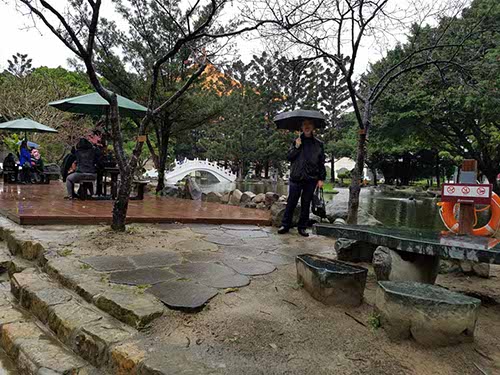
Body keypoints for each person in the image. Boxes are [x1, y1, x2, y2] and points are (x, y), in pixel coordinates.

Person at [278, 119, 326, 237]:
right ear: (301, 127)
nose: (307, 126)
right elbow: (289, 157)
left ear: (313, 127)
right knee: (291, 202)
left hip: (311, 178)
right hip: (296, 177)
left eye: (309, 124)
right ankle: (285, 224)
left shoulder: (319, 144)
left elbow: (321, 162)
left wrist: (321, 178)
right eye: (305, 124)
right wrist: (297, 147)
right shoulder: (296, 141)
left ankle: (302, 227)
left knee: (306, 203)